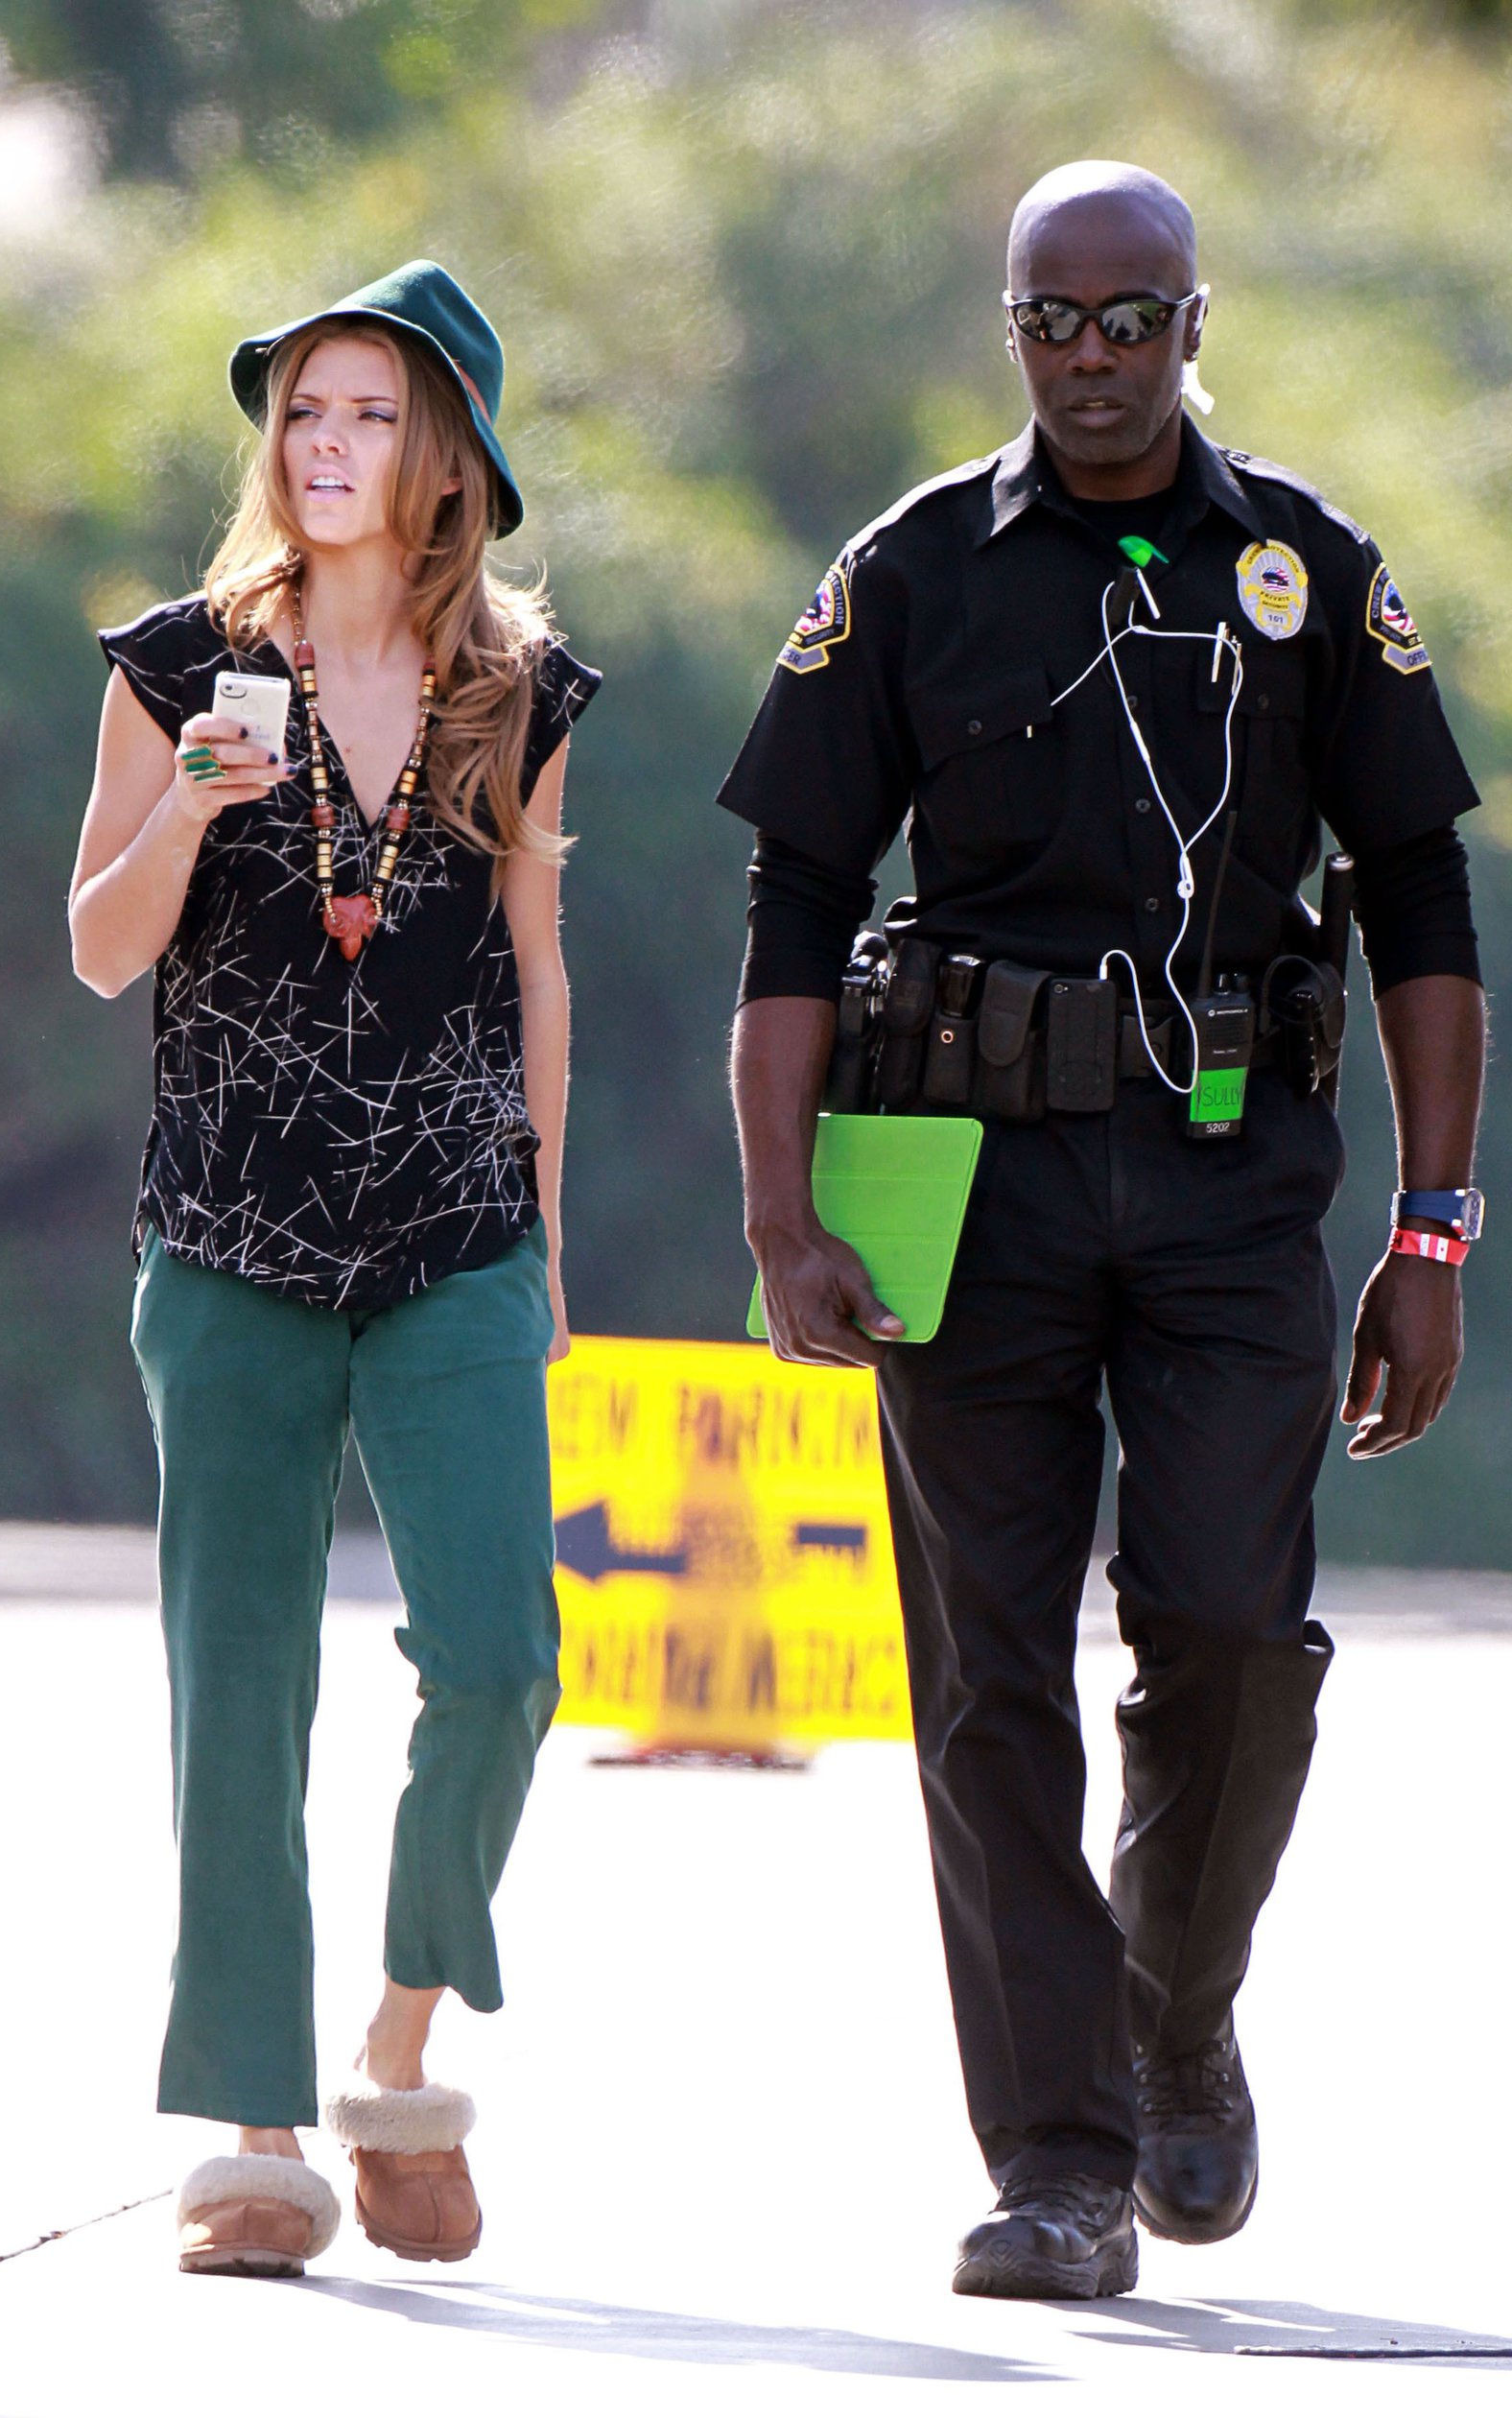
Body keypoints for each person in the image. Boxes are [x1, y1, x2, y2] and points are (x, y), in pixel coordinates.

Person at [721, 162, 1485, 2300]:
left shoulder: (1302, 566)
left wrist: (1432, 1230)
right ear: (1012, 334)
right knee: (985, 1683)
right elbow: (792, 898)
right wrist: (781, 1216)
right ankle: (1054, 2157)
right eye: (1049, 323)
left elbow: (1422, 896)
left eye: (1129, 318)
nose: (1090, 359)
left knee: (1235, 1636)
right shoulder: (915, 574)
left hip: (1242, 1182)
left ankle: (1173, 2014)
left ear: (1191, 320)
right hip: (971, 1182)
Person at [69, 260, 599, 2278]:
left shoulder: (522, 693)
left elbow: (538, 971)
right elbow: (103, 948)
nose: (326, 447)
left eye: (368, 413)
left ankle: (396, 2050)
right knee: (243, 1693)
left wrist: (549, 1232)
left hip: (460, 1236)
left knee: (503, 1659)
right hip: (224, 1241)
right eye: (300, 412)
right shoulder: (170, 666)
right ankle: (261, 2138)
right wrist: (195, 808)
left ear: (443, 452)